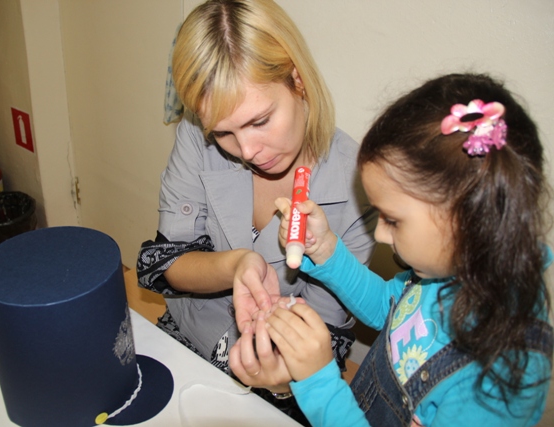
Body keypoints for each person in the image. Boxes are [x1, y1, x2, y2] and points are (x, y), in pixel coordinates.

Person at [234, 73, 553, 426]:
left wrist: (320, 383)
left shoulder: (500, 383)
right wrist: (324, 250)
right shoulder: (448, 269)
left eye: (393, 220)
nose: (381, 235)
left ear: (469, 221)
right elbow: (391, 310)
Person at [136, 0, 376, 419]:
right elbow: (167, 263)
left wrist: (279, 382)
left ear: (298, 80)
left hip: (285, 380)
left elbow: (320, 341)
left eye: (260, 121)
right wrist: (235, 265)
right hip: (187, 338)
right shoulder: (197, 132)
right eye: (223, 133)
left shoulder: (359, 189)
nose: (246, 151)